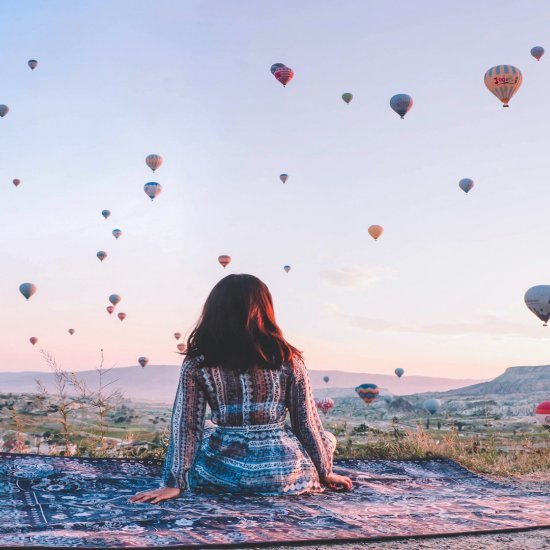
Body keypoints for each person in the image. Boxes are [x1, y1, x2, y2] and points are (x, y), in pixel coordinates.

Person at [131, 274, 352, 504]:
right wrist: (325, 471)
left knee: (206, 429)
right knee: (328, 437)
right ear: (265, 309)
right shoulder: (288, 360)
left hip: (222, 476)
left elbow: (186, 425)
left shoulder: (198, 363)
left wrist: (174, 483)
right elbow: (306, 423)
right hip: (283, 475)